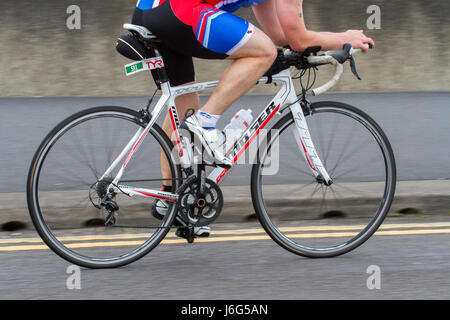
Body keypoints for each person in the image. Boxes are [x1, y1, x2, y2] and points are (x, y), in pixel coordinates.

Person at [132, 0, 374, 238]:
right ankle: (205, 122)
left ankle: (171, 197)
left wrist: (310, 47)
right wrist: (345, 38)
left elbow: (282, 37)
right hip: (180, 11)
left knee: (184, 107)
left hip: (150, 12)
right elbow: (299, 39)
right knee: (264, 52)